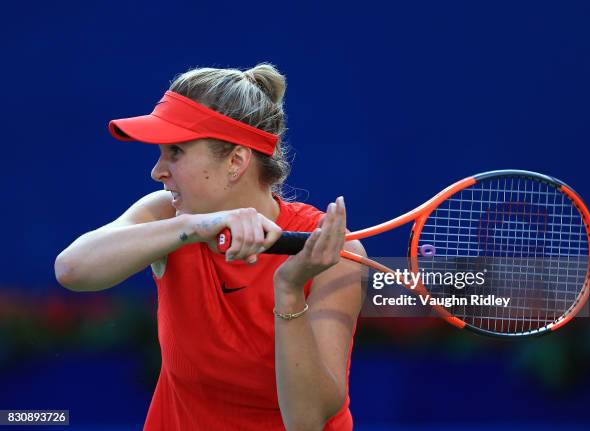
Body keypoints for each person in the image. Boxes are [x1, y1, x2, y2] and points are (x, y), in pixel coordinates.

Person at [54, 63, 365, 431]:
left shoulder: (338, 256)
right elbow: (71, 270)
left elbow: (306, 420)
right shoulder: (168, 216)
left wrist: (290, 290)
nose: (158, 171)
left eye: (176, 152)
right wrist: (198, 227)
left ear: (235, 161)